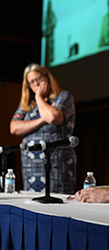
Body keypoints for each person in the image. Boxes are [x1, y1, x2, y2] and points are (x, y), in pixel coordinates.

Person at [10, 63, 76, 194]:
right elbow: (14, 128)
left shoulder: (62, 97)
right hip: (31, 165)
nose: (36, 84)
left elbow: (53, 118)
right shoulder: (27, 105)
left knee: (56, 202)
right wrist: (41, 120)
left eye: (39, 79)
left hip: (56, 161)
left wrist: (39, 98)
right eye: (31, 82)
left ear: (47, 77)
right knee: (33, 204)